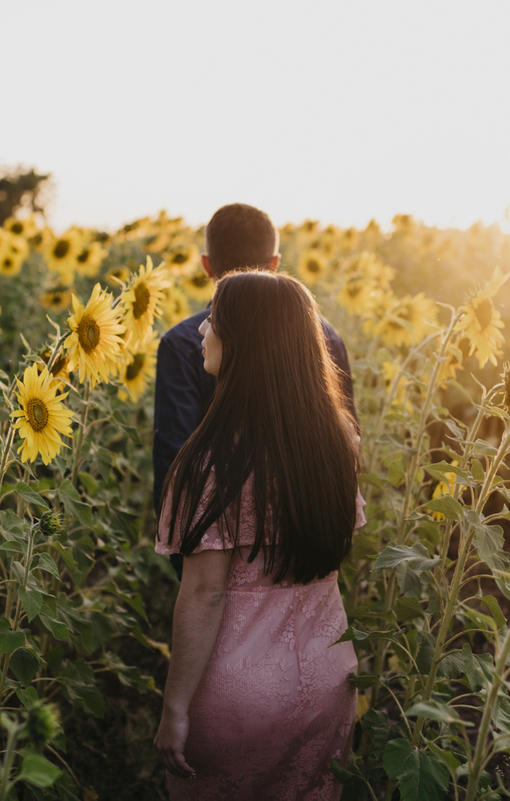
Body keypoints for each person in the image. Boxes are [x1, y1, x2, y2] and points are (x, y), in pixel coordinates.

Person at [152, 270, 365, 800]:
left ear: (246, 340)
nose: (202, 330)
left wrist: (174, 709)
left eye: (214, 319)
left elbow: (205, 594)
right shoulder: (339, 441)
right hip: (327, 680)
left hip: (237, 691)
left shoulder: (209, 462)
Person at [152, 203, 355, 578]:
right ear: (275, 265)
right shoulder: (325, 337)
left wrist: (188, 567)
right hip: (307, 559)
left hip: (210, 559)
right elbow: (342, 453)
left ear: (206, 266)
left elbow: (173, 462)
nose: (205, 333)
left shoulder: (181, 343)